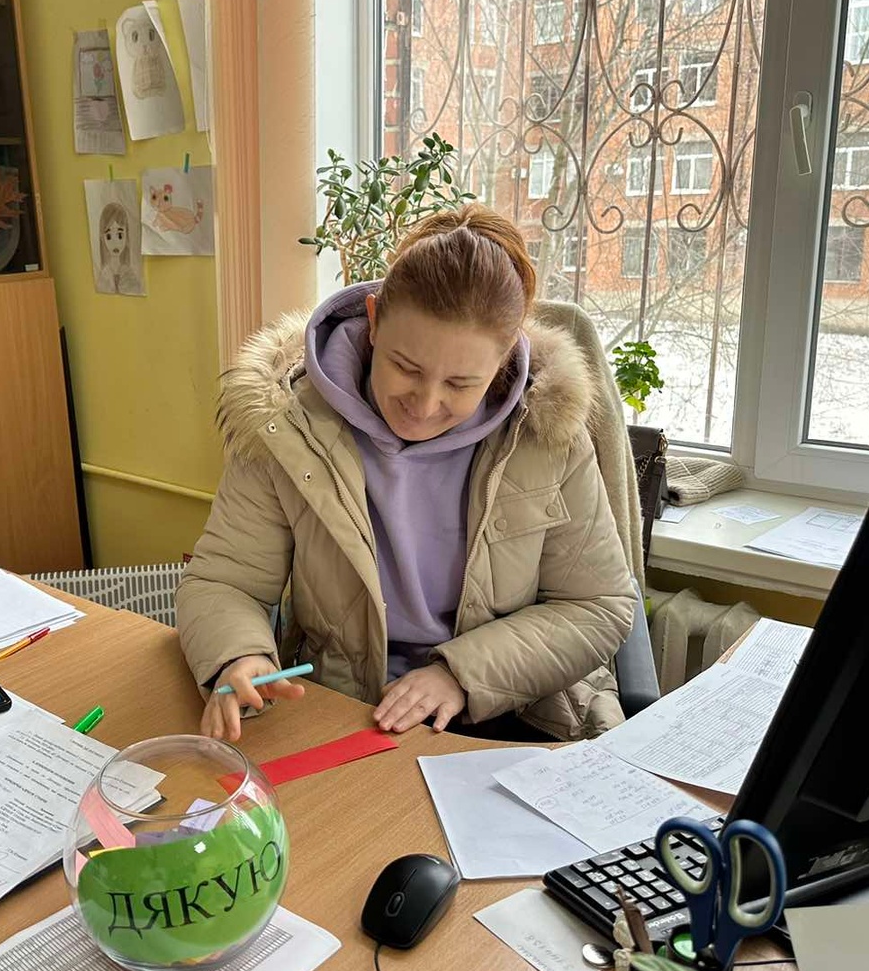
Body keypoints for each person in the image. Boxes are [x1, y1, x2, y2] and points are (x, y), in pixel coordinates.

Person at [177, 204, 637, 743]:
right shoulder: (285, 424)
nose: (424, 404)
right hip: (347, 711)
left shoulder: (546, 434)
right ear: (373, 321)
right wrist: (239, 655)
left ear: (505, 359)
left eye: (461, 384)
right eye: (405, 367)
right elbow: (225, 580)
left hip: (515, 715)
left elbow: (597, 606)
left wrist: (460, 675)